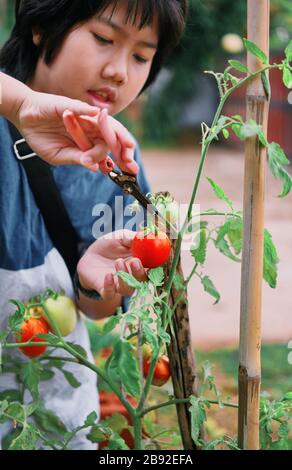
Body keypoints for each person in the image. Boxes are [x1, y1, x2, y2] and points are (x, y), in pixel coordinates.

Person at [0, 0, 188, 449]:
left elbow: (96, 307)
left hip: (54, 418)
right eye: (104, 38)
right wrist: (22, 104)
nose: (119, 71)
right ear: (42, 27)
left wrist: (95, 284)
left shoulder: (117, 159)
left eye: (142, 56)